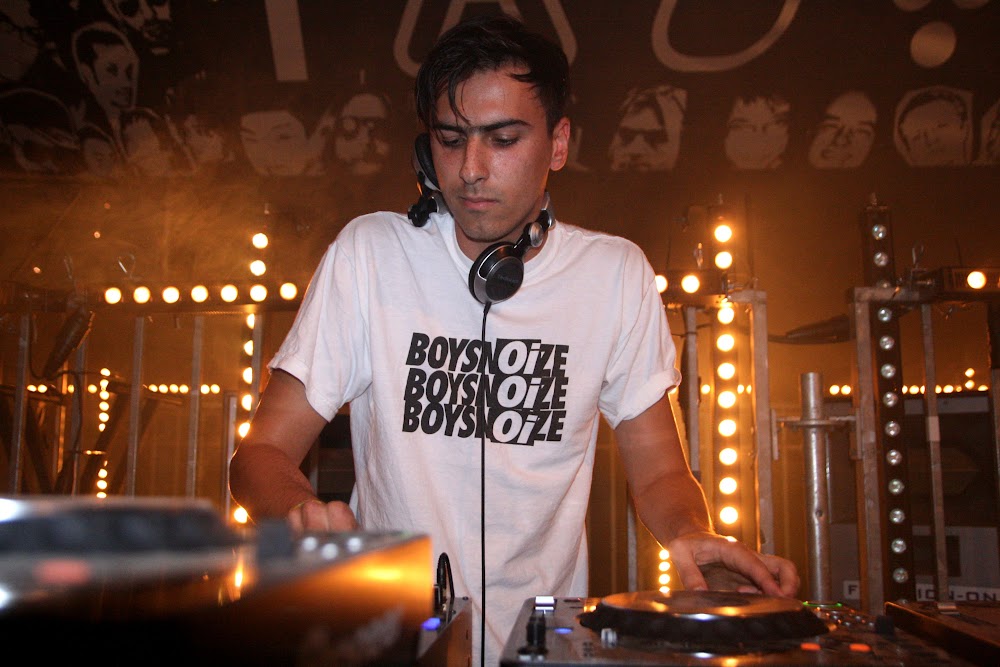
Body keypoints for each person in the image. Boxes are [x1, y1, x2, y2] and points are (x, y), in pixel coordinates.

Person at [228, 14, 799, 667]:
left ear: (558, 144)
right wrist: (299, 508)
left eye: (502, 139)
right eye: (450, 139)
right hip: (395, 639)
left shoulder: (615, 275)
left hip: (545, 646)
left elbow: (661, 471)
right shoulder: (371, 255)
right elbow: (259, 453)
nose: (471, 169)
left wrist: (691, 533)